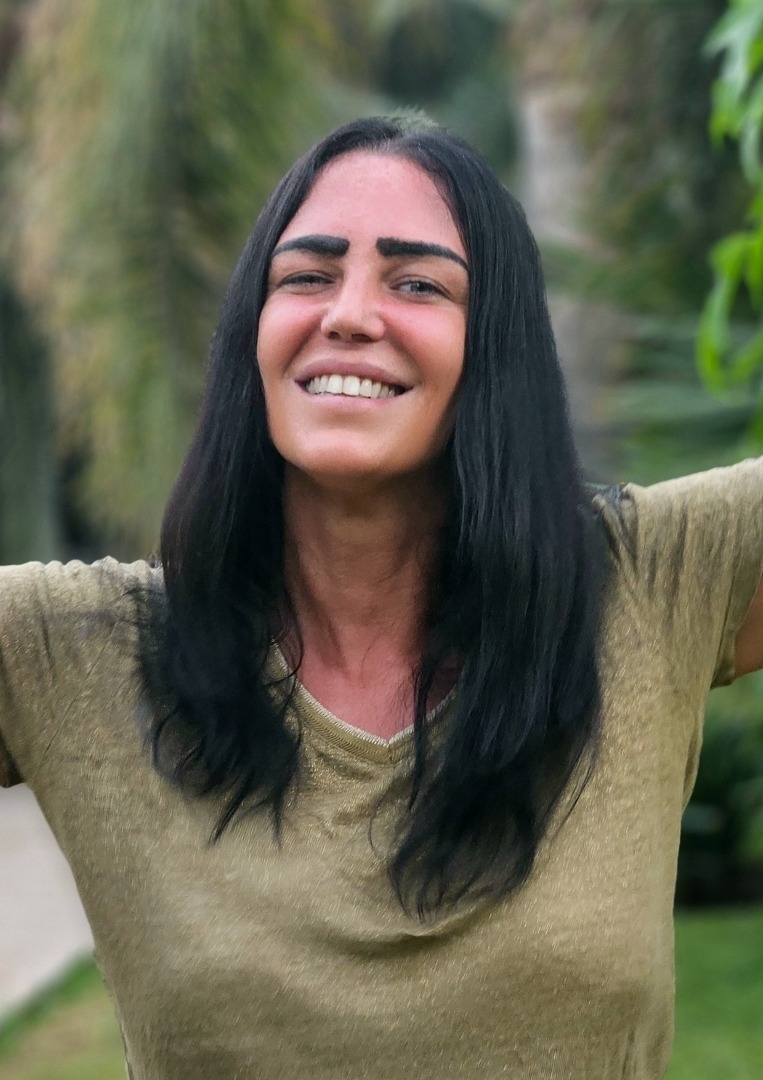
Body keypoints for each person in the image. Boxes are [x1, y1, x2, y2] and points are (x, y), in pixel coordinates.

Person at [0, 115, 761, 1080]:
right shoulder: (73, 649)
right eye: (306, 276)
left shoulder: (656, 580)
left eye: (417, 284)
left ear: (495, 345)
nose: (350, 314)